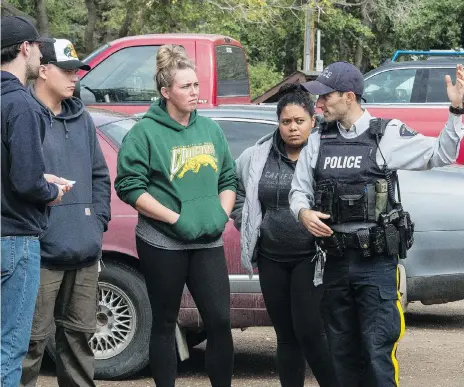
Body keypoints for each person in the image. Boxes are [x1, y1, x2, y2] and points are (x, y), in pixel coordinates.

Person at [289, 61, 464, 387]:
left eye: (326, 97)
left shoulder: (387, 134)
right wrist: (303, 213)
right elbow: (299, 191)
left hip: (376, 266)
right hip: (335, 264)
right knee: (341, 354)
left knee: (376, 351)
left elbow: (441, 154)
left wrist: (455, 111)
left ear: (349, 97)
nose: (319, 104)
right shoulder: (318, 139)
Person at [114, 44, 237, 387]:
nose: (194, 92)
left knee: (219, 320)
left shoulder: (210, 130)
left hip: (207, 240)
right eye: (186, 87)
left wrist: (220, 213)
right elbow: (129, 187)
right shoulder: (145, 133)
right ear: (166, 91)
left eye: (196, 85)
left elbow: (228, 178)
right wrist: (173, 218)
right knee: (166, 321)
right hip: (162, 242)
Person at [18, 39, 111, 387]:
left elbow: (100, 175)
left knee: (79, 341)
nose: (75, 78)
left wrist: (96, 223)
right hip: (38, 253)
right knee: (28, 346)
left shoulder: (82, 117)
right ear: (43, 70)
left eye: (77, 71)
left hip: (84, 253)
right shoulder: (21, 114)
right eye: (67, 70)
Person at [230, 84, 336, 387]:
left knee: (311, 332)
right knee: (285, 336)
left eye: (299, 121)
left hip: (311, 258)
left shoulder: (323, 154)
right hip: (271, 257)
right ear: (278, 122)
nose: (292, 128)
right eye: (286, 121)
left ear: (313, 121)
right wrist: (248, 222)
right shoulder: (258, 155)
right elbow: (236, 188)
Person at [0, 16, 70, 387]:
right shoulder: (21, 105)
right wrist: (51, 190)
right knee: (9, 348)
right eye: (37, 48)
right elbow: (25, 181)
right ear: (25, 49)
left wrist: (39, 179)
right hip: (14, 240)